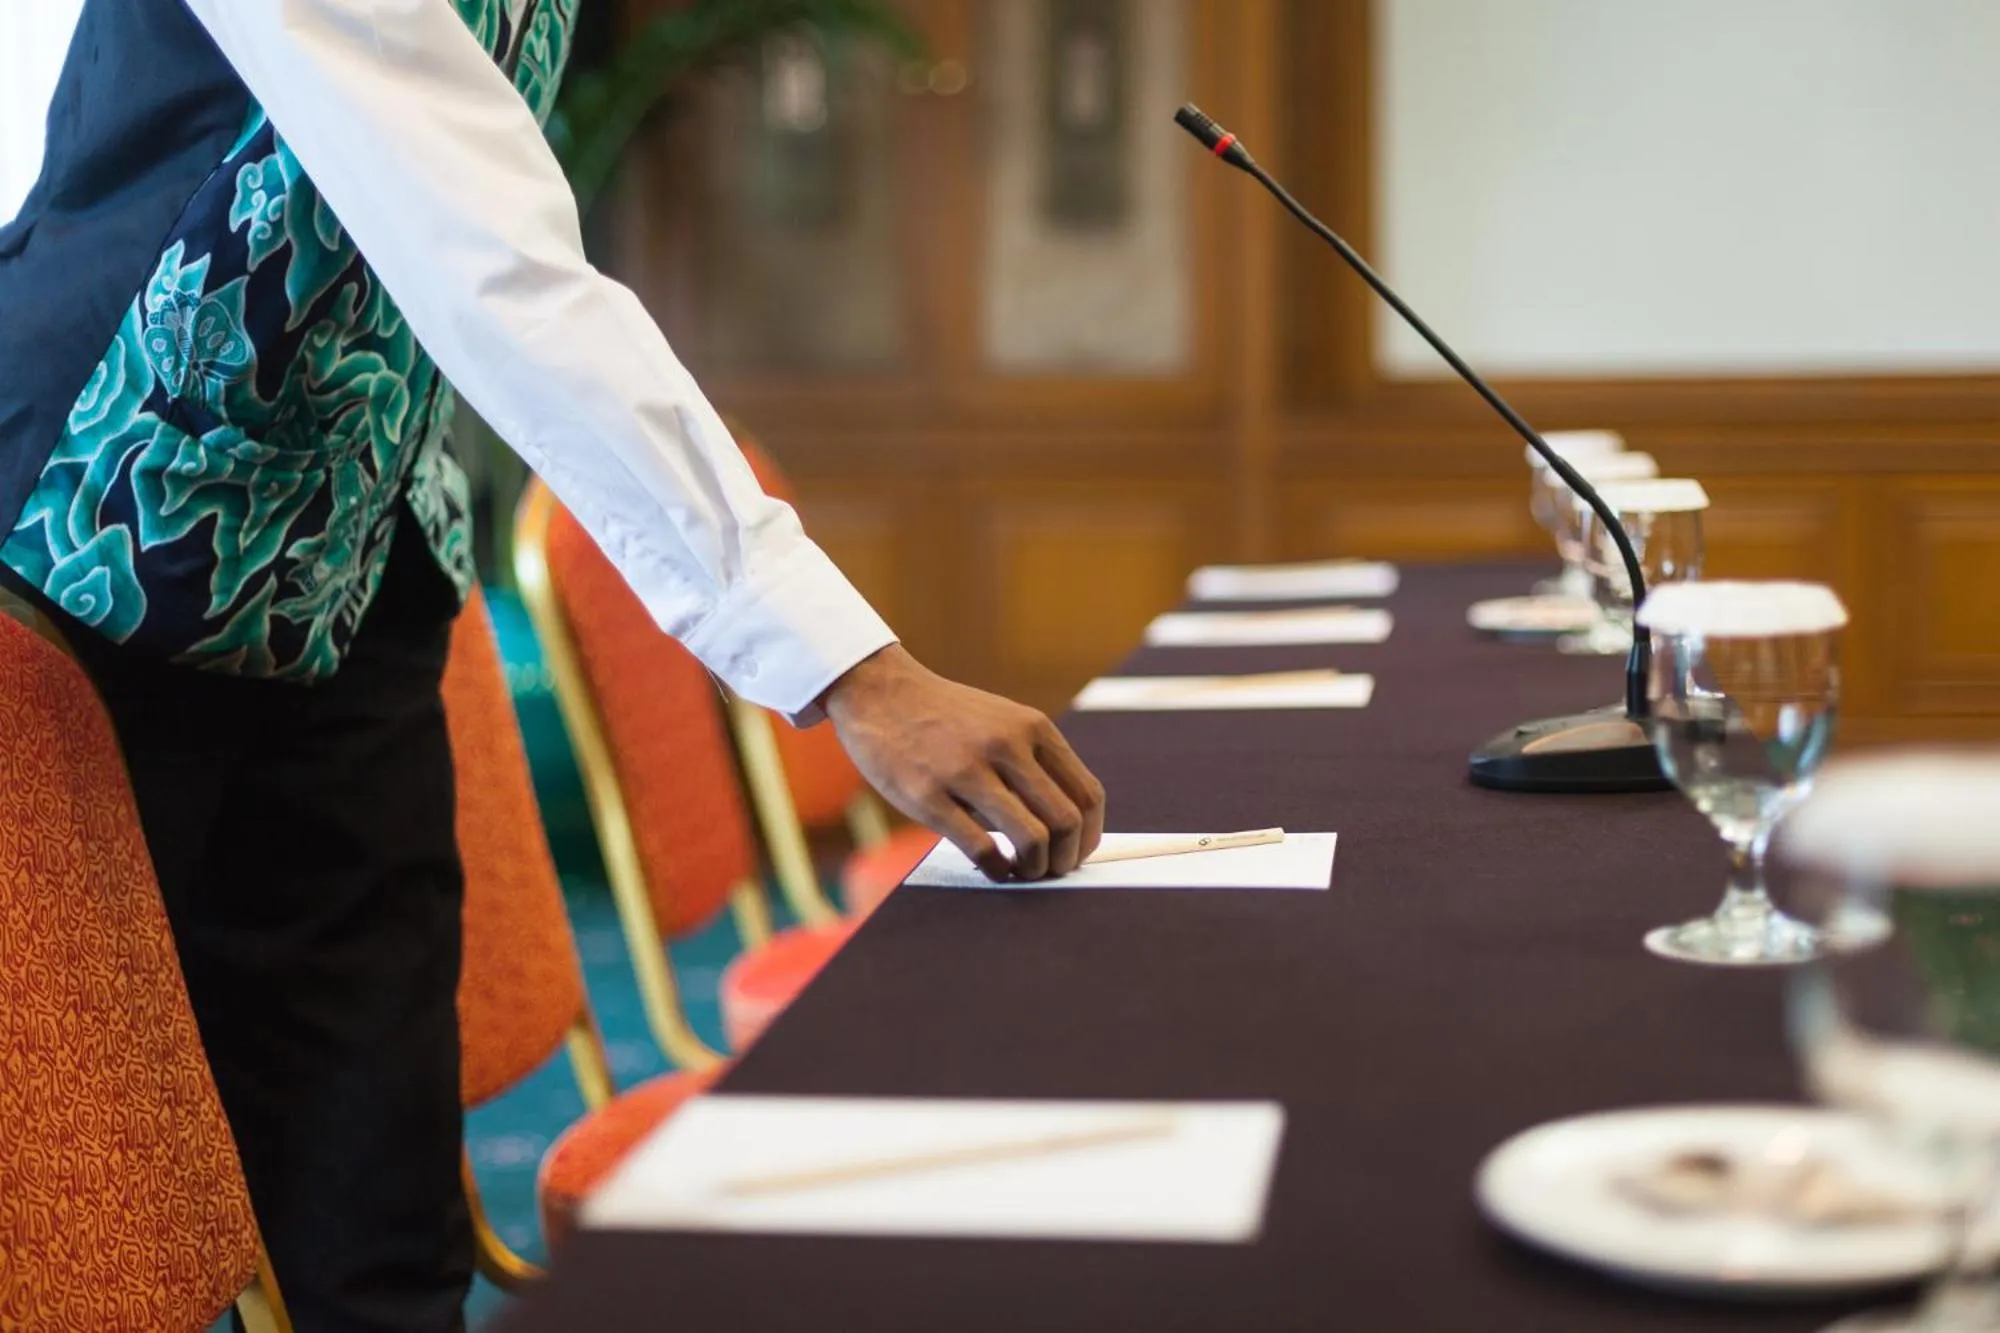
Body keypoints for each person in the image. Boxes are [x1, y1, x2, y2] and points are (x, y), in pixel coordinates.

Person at [0, 2, 1107, 1329]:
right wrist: (855, 671)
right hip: (96, 549)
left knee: (381, 1239)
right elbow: (492, 253)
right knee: (92, 1242)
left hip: (355, 567)